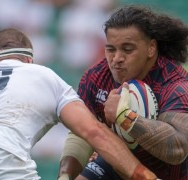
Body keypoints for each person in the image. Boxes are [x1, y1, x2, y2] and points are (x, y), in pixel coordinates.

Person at [0, 28, 156, 180]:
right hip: (1, 155)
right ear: (29, 59)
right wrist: (141, 174)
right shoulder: (43, 75)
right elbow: (93, 131)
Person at [58, 5, 188, 180]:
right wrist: (65, 175)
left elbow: (177, 149)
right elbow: (82, 132)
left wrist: (124, 116)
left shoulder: (175, 84)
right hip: (117, 163)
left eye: (128, 49)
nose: (117, 58)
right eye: (111, 49)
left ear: (151, 48)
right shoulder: (97, 77)